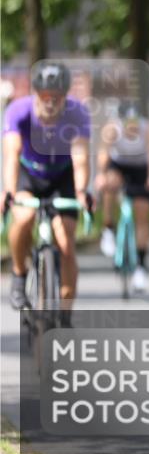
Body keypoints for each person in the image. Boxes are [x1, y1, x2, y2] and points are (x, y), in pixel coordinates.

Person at [3, 62, 91, 325]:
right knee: (24, 217)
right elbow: (11, 155)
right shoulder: (18, 111)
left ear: (65, 96)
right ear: (35, 93)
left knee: (65, 244)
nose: (51, 104)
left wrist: (82, 191)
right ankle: (19, 276)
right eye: (44, 97)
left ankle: (64, 314)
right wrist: (8, 191)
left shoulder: (77, 114)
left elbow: (81, 157)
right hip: (28, 175)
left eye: (57, 98)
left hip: (63, 176)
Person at [96, 102, 149, 291]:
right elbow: (103, 153)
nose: (131, 128)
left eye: (134, 124)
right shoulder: (112, 129)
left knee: (142, 214)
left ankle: (140, 266)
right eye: (127, 124)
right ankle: (108, 227)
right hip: (119, 165)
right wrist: (100, 174)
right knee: (109, 183)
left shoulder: (148, 129)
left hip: (141, 168)